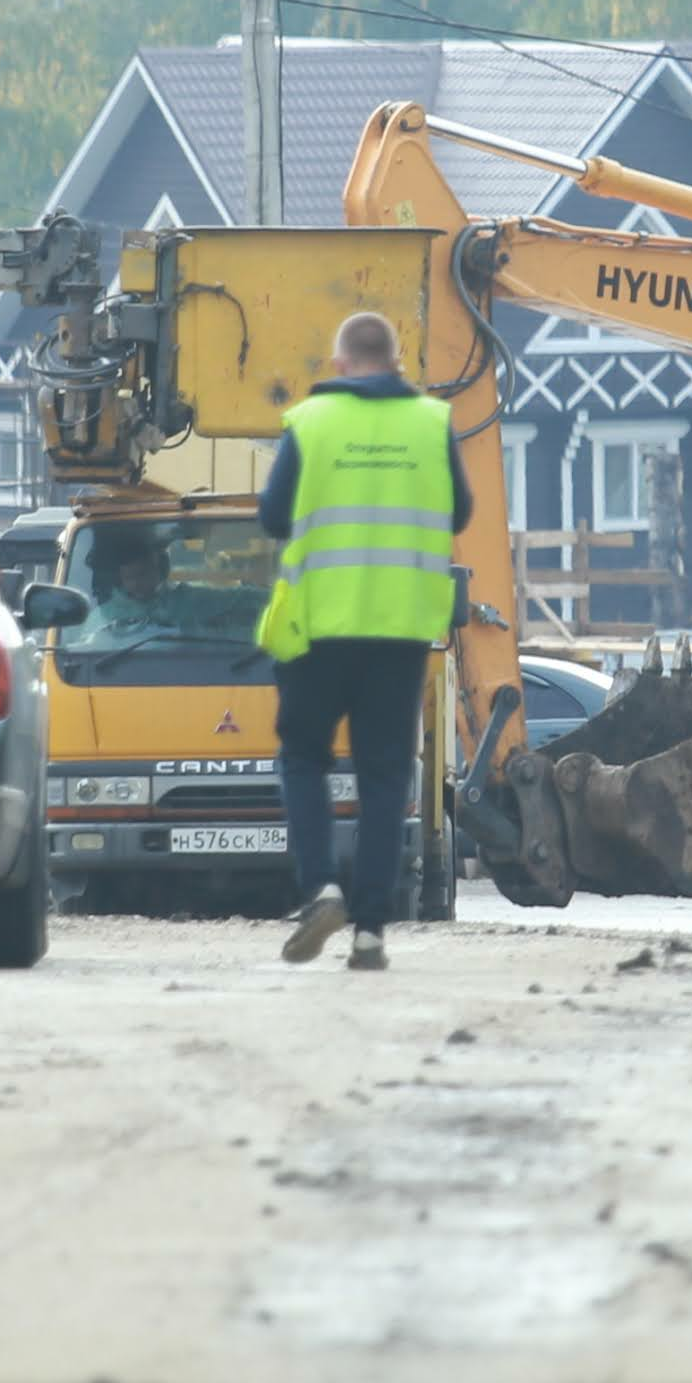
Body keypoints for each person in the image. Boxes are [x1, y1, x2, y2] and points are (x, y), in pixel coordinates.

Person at [259, 308, 468, 973]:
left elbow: (271, 515)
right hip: (401, 628)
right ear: (398, 362)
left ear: (341, 364)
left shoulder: (311, 423)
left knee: (303, 759)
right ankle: (371, 931)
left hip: (319, 625)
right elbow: (459, 510)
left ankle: (320, 886)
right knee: (383, 777)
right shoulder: (432, 424)